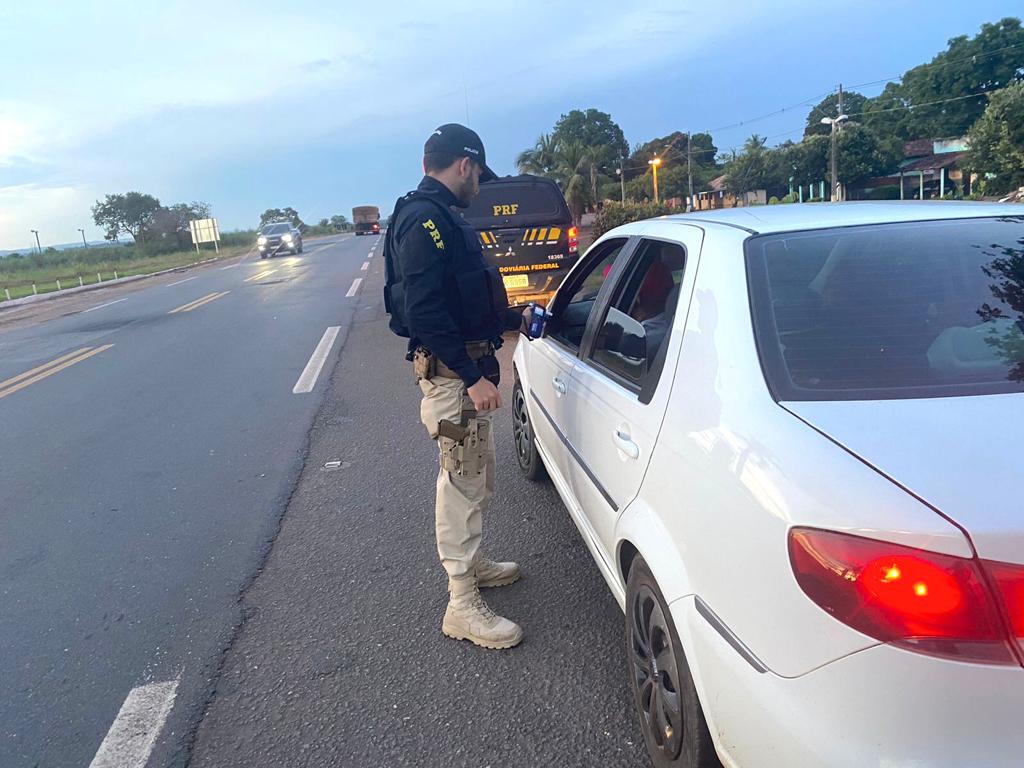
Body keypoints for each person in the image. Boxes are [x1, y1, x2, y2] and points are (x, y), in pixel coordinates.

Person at [383, 124, 524, 650]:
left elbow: (465, 299)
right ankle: (461, 603)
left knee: (478, 477)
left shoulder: (442, 218)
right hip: (451, 379)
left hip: (465, 370)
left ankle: (476, 564)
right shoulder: (425, 220)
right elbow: (425, 310)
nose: (480, 186)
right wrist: (472, 378)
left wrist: (514, 316)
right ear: (465, 165)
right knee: (462, 481)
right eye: (480, 175)